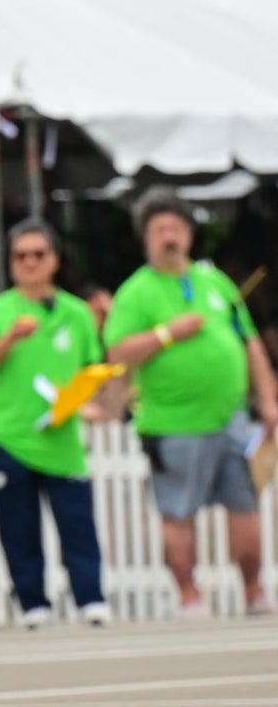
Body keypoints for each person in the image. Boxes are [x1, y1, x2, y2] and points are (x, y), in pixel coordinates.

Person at [103, 189, 278, 616]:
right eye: (159, 229)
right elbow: (118, 352)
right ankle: (189, 596)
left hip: (230, 417)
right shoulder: (136, 292)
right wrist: (166, 334)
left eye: (175, 228)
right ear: (146, 238)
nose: (169, 237)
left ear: (190, 234)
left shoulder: (214, 281)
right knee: (177, 511)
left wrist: (268, 401)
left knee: (246, 505)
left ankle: (254, 591)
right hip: (172, 421)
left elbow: (250, 342)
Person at [0, 220, 110, 627]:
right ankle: (33, 603)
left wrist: (88, 404)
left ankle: (91, 599)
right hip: (11, 435)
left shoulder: (78, 313)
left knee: (77, 522)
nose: (29, 262)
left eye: (38, 254)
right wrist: (8, 339)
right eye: (20, 255)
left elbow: (91, 370)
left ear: (55, 260)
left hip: (62, 435)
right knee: (18, 525)